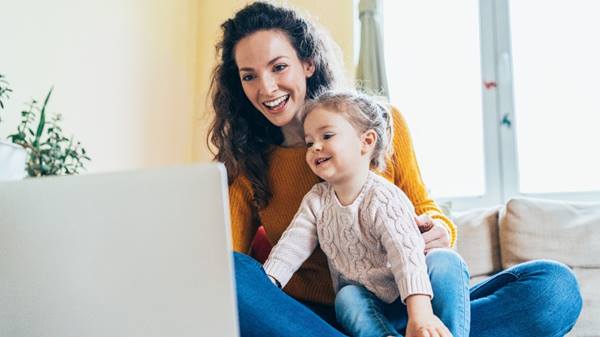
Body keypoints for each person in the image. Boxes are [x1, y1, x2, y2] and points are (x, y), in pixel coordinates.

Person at [207, 2, 583, 337]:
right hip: (314, 319)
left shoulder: (382, 124)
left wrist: (439, 229)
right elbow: (231, 271)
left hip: (408, 302)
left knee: (553, 288)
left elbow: (424, 206)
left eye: (279, 66)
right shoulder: (246, 163)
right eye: (249, 75)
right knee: (230, 272)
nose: (267, 87)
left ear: (308, 64)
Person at [262, 90, 467, 337]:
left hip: (416, 297)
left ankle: (440, 332)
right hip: (368, 306)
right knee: (347, 297)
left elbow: (406, 256)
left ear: (367, 142)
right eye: (309, 142)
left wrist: (420, 314)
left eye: (327, 136)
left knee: (446, 261)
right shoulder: (316, 200)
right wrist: (265, 284)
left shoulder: (384, 197)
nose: (315, 147)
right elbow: (291, 247)